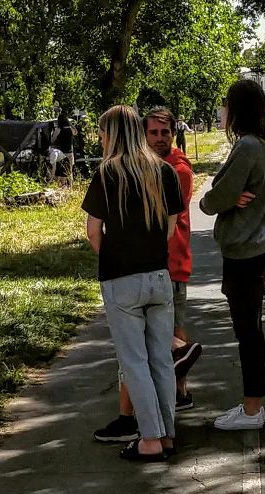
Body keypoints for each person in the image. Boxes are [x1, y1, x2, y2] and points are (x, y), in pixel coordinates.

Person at [83, 104, 184, 462]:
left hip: (121, 278)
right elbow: (171, 227)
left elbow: (94, 231)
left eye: (101, 131)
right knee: (160, 359)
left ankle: (151, 439)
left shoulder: (107, 173)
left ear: (111, 134)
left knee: (133, 361)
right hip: (159, 275)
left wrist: (113, 255)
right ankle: (168, 433)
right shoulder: (164, 171)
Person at [200, 78, 265, 432]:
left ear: (238, 108)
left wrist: (218, 198)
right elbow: (227, 192)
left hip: (244, 251)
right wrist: (227, 195)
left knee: (247, 331)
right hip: (254, 249)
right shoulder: (261, 143)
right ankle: (251, 405)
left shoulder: (246, 146)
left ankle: (252, 410)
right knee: (250, 329)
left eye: (227, 103)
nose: (223, 111)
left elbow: (213, 198)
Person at [48, 111, 75, 182]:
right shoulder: (70, 129)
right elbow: (76, 132)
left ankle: (62, 187)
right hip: (70, 152)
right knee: (70, 172)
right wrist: (70, 124)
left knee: (62, 173)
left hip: (62, 153)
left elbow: (52, 140)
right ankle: (71, 187)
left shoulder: (59, 130)